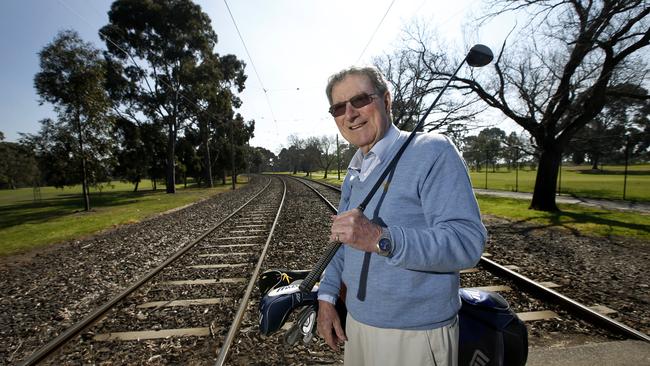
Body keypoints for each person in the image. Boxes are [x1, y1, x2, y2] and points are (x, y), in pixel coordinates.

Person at [316, 66, 487, 366]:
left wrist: (381, 239)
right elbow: (342, 243)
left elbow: (467, 242)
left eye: (359, 100)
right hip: (358, 327)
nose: (350, 114)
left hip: (415, 337)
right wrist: (327, 298)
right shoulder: (354, 172)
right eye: (339, 107)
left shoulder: (433, 151)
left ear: (386, 99)